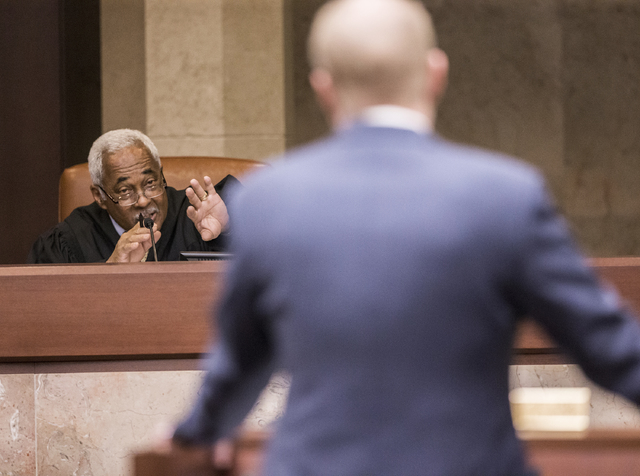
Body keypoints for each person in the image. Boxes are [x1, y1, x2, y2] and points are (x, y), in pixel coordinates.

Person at [172, 0, 640, 474]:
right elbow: (609, 347)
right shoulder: (507, 196)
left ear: (323, 88)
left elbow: (239, 360)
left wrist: (195, 432)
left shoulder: (267, 201)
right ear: (436, 73)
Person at [28, 129, 237, 263]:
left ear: (161, 175)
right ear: (100, 196)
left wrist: (230, 229)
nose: (144, 200)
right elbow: (45, 308)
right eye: (125, 191)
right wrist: (107, 272)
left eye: (150, 183)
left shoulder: (197, 213)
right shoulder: (68, 240)